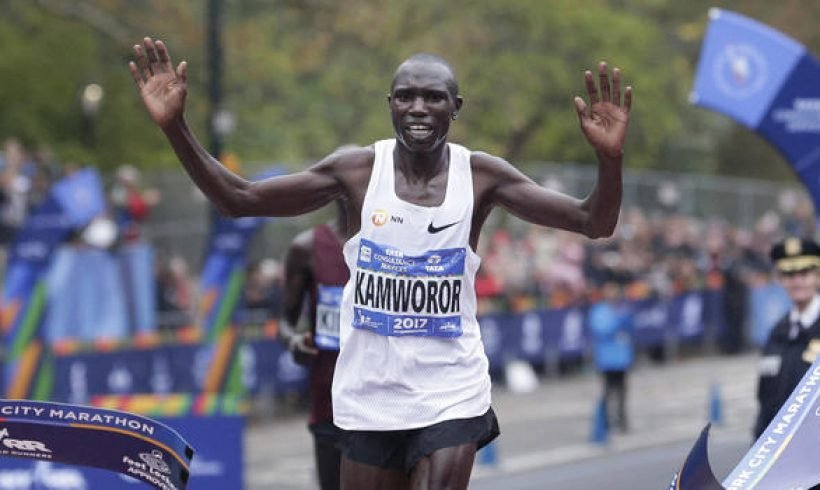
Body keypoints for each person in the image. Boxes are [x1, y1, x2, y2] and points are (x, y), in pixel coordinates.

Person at [129, 37, 632, 490]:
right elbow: (239, 199)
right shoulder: (356, 171)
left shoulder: (480, 177)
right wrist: (176, 128)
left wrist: (609, 160)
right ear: (389, 104)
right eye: (405, 97)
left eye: (433, 97)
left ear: (455, 107)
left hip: (450, 389)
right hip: (369, 394)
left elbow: (593, 221)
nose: (418, 108)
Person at [277, 200, 349, 490]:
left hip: (390, 400)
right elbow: (285, 322)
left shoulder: (397, 240)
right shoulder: (306, 247)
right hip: (331, 398)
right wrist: (294, 340)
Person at [754, 237, 820, 440]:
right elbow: (766, 401)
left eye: (804, 273)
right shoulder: (778, 333)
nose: (797, 281)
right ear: (781, 280)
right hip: (783, 450)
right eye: (789, 274)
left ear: (818, 276)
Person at [587, 280, 634, 433]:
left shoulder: (623, 308)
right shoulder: (599, 311)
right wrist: (617, 320)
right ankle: (605, 421)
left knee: (622, 391)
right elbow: (601, 330)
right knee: (608, 391)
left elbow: (630, 328)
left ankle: (622, 420)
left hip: (622, 357)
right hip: (607, 358)